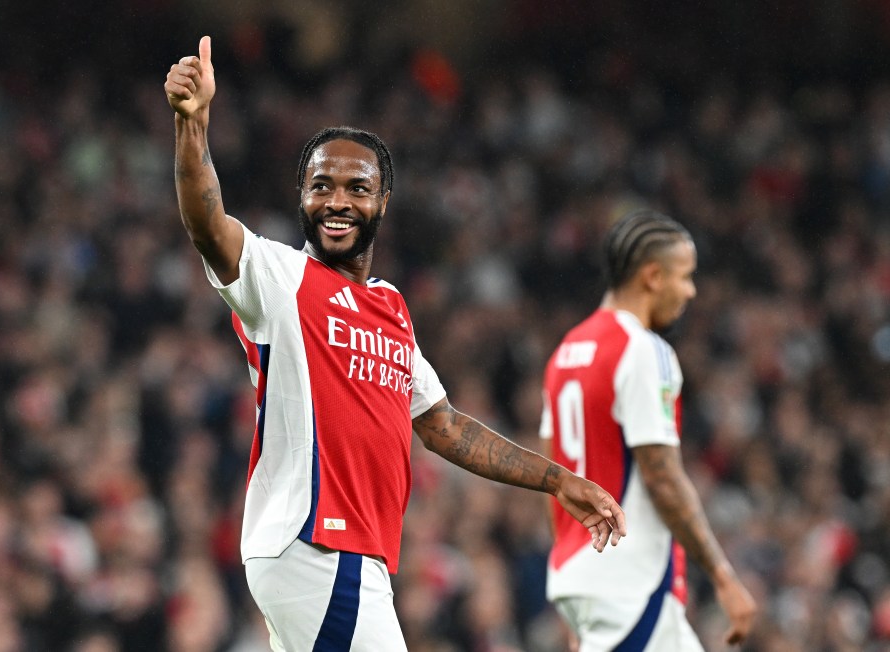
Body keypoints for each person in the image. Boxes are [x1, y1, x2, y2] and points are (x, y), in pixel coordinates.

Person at [164, 36, 626, 651]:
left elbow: (444, 426)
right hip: (317, 542)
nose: (336, 201)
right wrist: (192, 129)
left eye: (356, 188)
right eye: (320, 185)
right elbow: (207, 222)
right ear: (301, 196)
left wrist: (558, 481)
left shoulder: (392, 309)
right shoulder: (280, 279)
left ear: (383, 201)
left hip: (356, 553)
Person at [539, 209, 757, 650]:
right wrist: (722, 575)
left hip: (580, 573)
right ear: (653, 276)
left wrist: (573, 577)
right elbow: (662, 476)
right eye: (685, 276)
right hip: (631, 581)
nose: (691, 291)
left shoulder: (565, 353)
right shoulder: (642, 350)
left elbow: (552, 478)